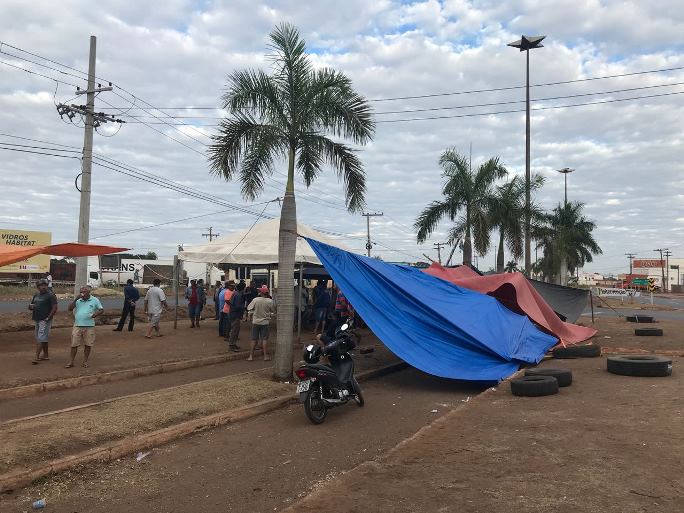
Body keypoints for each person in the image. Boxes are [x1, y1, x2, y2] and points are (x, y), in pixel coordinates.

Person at [66, 286, 104, 368]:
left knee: (88, 344)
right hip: (77, 325)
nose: (82, 294)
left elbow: (101, 310)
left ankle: (85, 361)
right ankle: (71, 361)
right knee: (74, 344)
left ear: (89, 292)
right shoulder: (78, 300)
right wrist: (76, 299)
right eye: (81, 292)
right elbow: (69, 308)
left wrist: (95, 314)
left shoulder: (95, 300)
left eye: (84, 292)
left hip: (89, 326)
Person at [28, 278, 58, 364]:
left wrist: (48, 318)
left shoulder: (51, 295)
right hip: (37, 318)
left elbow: (54, 307)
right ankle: (46, 355)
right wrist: (30, 307)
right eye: (41, 285)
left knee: (40, 337)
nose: (44, 287)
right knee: (42, 337)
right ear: (38, 287)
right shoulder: (36, 295)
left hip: (45, 319)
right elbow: (31, 305)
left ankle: (36, 357)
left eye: (45, 285)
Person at [247, 285, 275, 361]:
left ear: (261, 293)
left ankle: (251, 356)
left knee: (254, 339)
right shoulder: (270, 301)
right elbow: (273, 310)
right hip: (265, 322)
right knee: (264, 339)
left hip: (255, 322)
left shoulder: (255, 300)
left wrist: (254, 311)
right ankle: (265, 356)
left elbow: (249, 308)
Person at [226, 281, 246, 351]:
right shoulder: (238, 295)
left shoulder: (236, 294)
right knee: (234, 330)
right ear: (243, 288)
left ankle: (233, 344)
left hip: (233, 313)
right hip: (235, 314)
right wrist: (244, 308)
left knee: (235, 330)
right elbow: (237, 306)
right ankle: (231, 345)